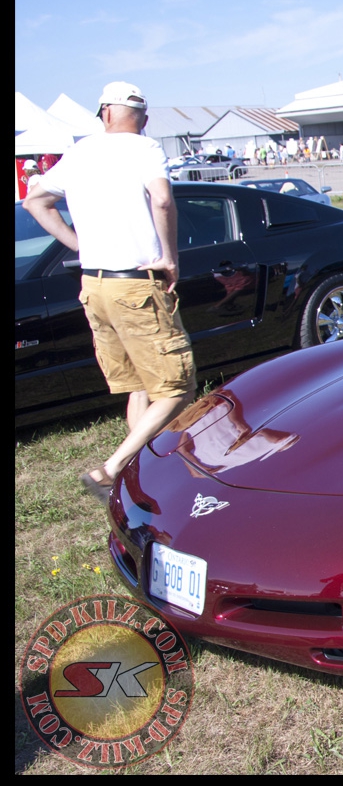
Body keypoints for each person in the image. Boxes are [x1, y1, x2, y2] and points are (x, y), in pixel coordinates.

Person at [22, 81, 195, 502]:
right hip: (136, 284)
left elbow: (34, 202)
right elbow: (162, 199)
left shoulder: (79, 152)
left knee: (140, 385)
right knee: (177, 388)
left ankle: (143, 474)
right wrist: (169, 257)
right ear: (144, 118)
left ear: (104, 113)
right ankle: (111, 470)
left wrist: (80, 246)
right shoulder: (144, 148)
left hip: (94, 285)